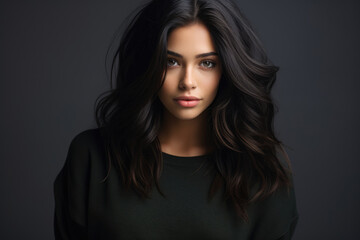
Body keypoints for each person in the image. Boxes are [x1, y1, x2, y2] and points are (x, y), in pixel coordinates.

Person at [53, 0, 299, 239]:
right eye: (171, 61)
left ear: (228, 69)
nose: (187, 81)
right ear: (147, 64)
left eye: (207, 63)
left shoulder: (264, 170)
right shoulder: (91, 157)